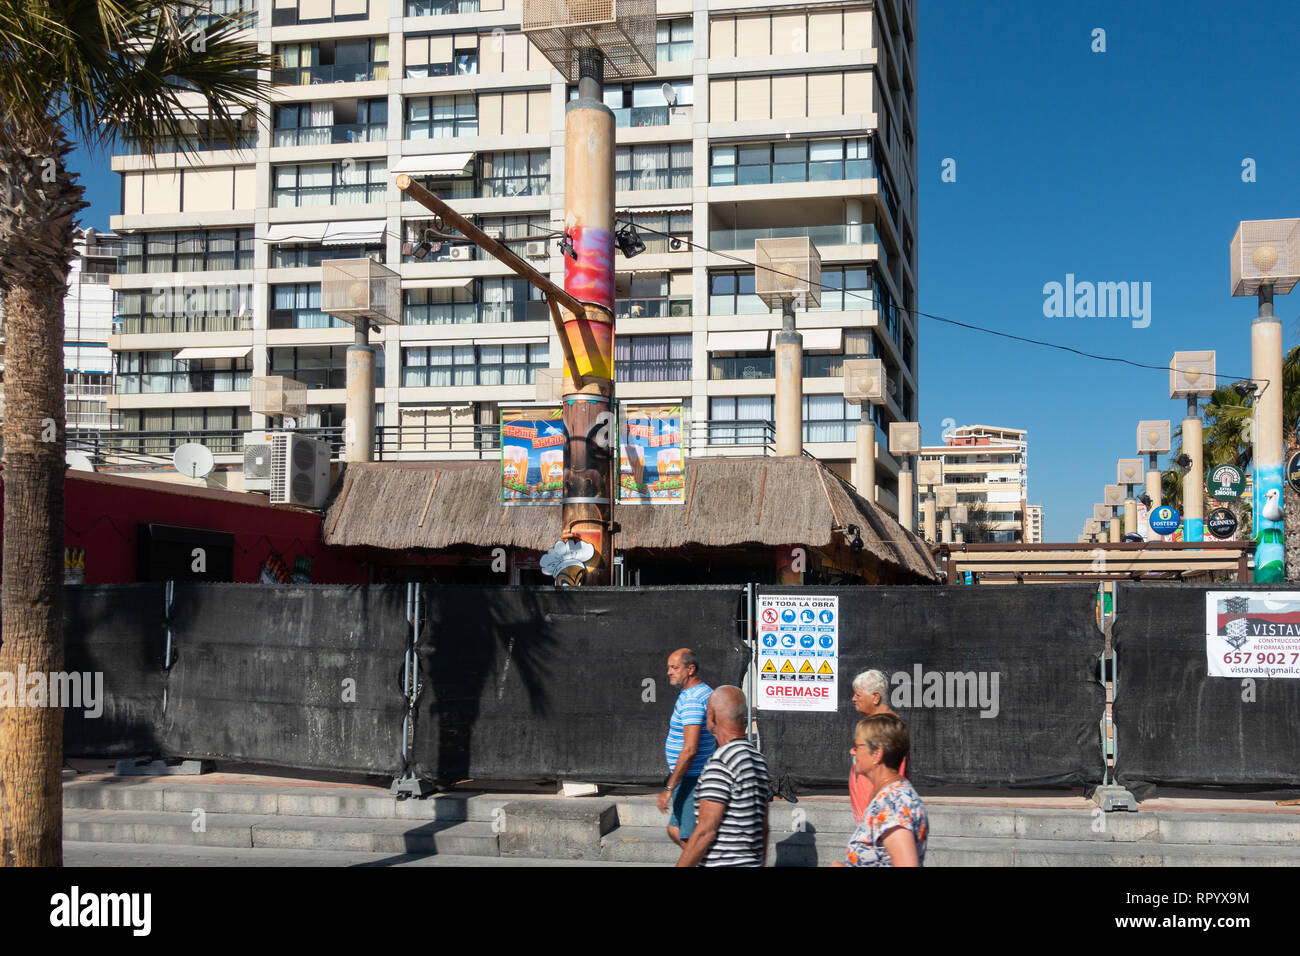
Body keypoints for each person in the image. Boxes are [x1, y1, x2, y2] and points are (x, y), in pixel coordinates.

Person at [676, 686, 770, 867]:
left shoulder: (721, 763)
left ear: (712, 715)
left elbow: (705, 833)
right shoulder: (759, 760)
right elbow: (763, 829)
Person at [833, 713, 927, 867]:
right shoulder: (890, 796)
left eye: (857, 746)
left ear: (877, 754)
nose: (852, 751)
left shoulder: (893, 803)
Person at [659, 648, 715, 848]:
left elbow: (690, 749)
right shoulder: (704, 691)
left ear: (690, 669)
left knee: (688, 838)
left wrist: (669, 788)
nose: (669, 672)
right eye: (668, 667)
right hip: (693, 775)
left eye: (674, 667)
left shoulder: (692, 700)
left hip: (690, 777)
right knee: (675, 830)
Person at [848, 669, 908, 824]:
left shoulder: (887, 729)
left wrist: (876, 817)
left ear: (875, 697)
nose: (853, 699)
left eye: (858, 695)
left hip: (880, 818)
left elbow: (888, 776)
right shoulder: (873, 725)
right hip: (870, 818)